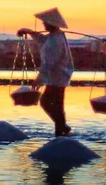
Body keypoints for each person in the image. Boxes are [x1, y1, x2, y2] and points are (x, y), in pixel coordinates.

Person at [18, 8, 74, 137]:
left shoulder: (55, 40)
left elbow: (49, 63)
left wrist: (39, 79)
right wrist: (30, 31)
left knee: (45, 102)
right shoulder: (56, 36)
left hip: (57, 76)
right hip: (60, 76)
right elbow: (43, 40)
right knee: (58, 105)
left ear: (51, 23)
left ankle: (62, 127)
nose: (43, 25)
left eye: (45, 23)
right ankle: (61, 130)